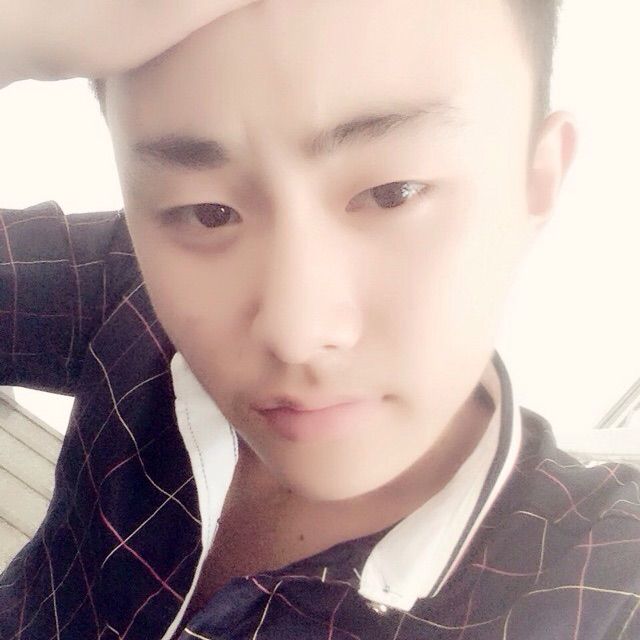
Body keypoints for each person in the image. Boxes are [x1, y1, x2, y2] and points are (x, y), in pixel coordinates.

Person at [1, 1, 639, 638]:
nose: (295, 334)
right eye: (209, 212)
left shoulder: (603, 582)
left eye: (392, 193)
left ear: (537, 178)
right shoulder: (126, 288)